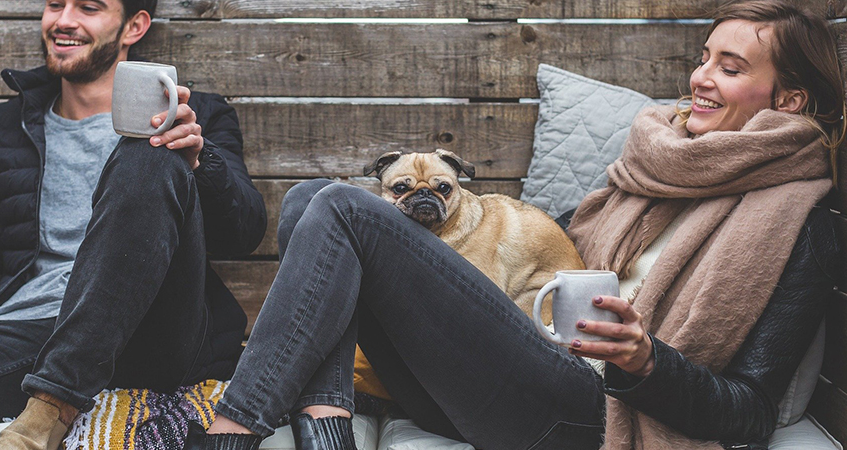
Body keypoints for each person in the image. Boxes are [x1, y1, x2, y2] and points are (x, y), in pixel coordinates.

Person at [186, 1, 845, 449]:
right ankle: (327, 425)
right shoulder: (661, 163)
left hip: (590, 412)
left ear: (788, 100)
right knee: (310, 201)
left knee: (339, 206)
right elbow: (560, 249)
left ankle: (236, 427)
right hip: (510, 373)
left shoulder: (796, 218)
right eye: (704, 58)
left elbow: (753, 412)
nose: (700, 78)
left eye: (729, 69)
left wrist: (646, 362)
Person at [0, 0, 266, 448]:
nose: (63, 20)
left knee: (149, 149)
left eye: (88, 7)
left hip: (150, 331)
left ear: (133, 26)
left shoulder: (198, 117)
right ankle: (48, 396)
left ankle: (41, 423)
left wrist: (199, 161)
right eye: (55, 4)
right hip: (27, 336)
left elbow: (245, 231)